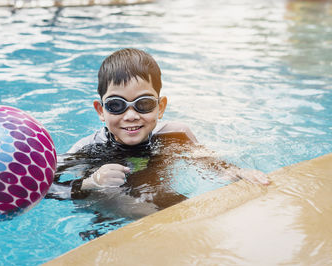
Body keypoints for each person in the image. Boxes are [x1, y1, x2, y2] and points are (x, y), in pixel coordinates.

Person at [46, 48, 269, 213]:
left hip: (164, 205)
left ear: (160, 107)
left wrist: (239, 173)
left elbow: (211, 165)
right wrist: (90, 183)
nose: (131, 115)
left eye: (143, 104)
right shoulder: (88, 149)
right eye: (116, 105)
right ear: (101, 111)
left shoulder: (176, 136)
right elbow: (43, 187)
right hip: (109, 222)